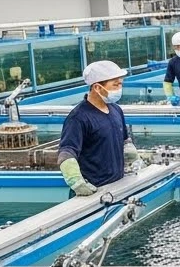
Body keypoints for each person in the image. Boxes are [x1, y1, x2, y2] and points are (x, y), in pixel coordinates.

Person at [59, 60, 141, 197]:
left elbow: (125, 141)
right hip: (94, 193)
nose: (119, 88)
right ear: (97, 87)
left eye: (120, 84)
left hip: (117, 187)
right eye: (115, 85)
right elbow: (67, 153)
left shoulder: (116, 110)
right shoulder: (78, 118)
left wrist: (135, 160)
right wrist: (77, 183)